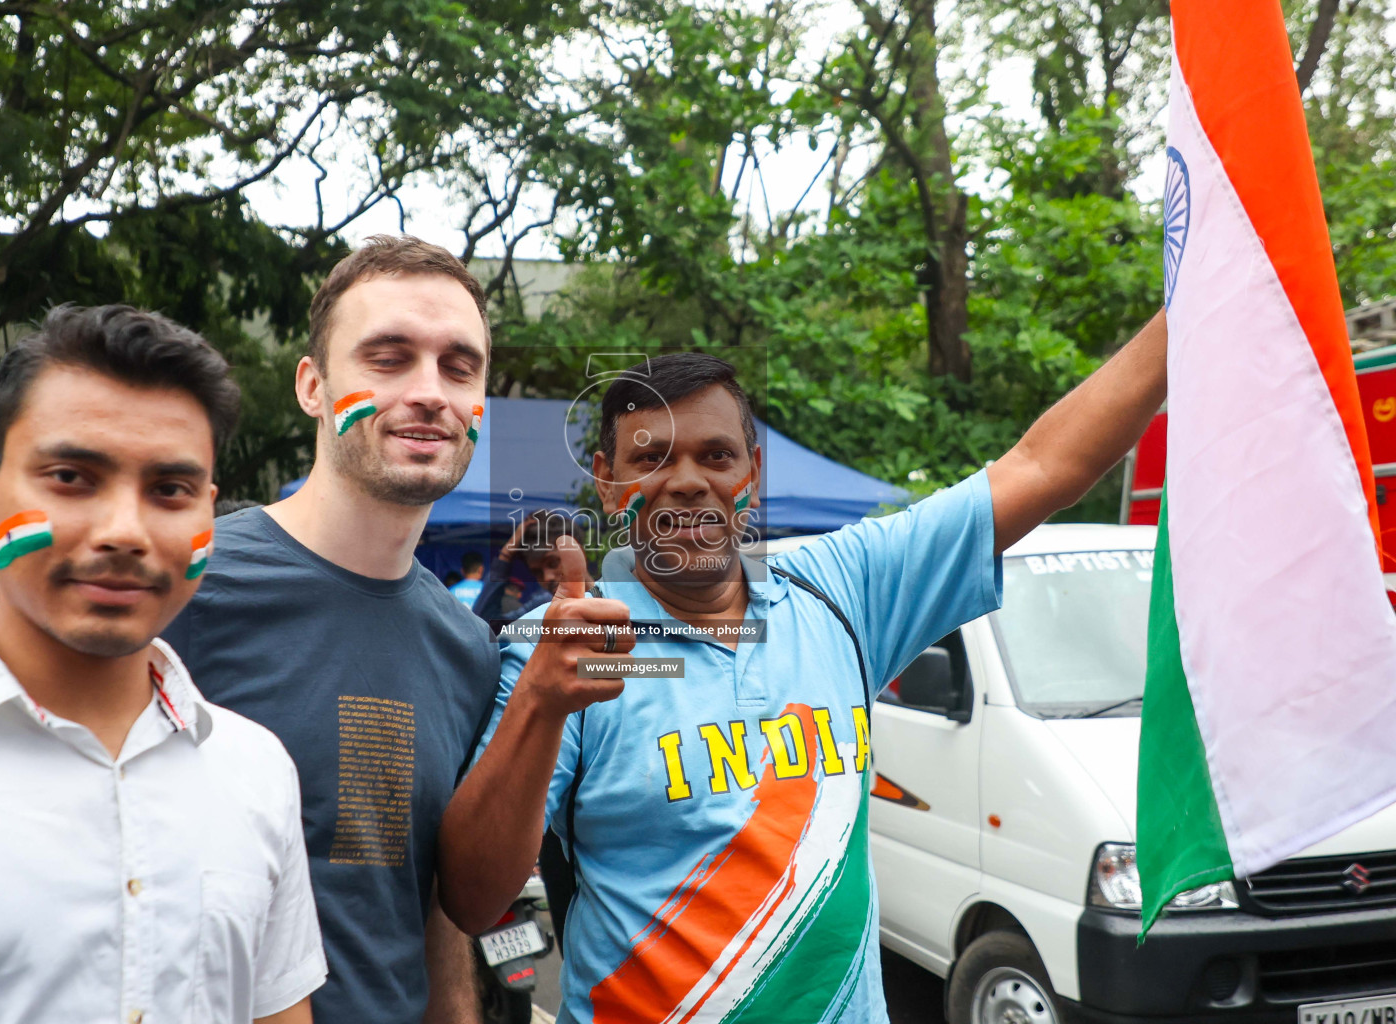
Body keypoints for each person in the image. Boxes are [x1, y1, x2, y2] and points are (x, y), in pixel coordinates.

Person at [438, 319, 1168, 1022]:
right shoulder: (564, 644)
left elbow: (1042, 467)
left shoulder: (842, 589)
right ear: (607, 481)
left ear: (752, 473)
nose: (687, 481)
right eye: (653, 457)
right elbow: (472, 900)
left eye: (716, 456)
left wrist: (1192, 307)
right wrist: (539, 701)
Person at [0, 305, 325, 1024]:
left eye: (169, 490)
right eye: (72, 476)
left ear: (208, 510)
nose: (124, 533)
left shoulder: (255, 771)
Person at [163, 235, 499, 1024]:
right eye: (388, 358)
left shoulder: (467, 650)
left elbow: (431, 907)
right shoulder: (186, 588)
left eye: (460, 367)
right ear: (312, 386)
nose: (429, 392)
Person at [472, 511, 593, 628]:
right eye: (537, 572)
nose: (547, 578)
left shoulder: (610, 596)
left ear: (579, 553)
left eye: (553, 563)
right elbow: (485, 630)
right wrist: (506, 555)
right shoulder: (542, 608)